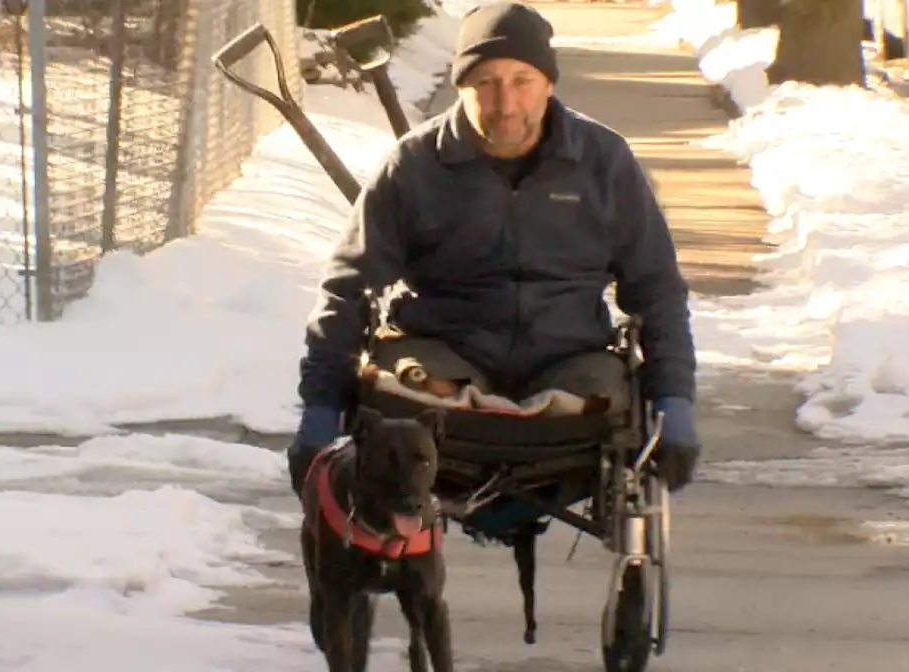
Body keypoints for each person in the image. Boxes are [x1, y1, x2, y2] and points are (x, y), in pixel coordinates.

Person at [287, 1, 701, 501]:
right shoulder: (415, 165)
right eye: (485, 82)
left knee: (610, 397)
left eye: (522, 80)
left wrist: (675, 401)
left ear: (549, 82)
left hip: (570, 360)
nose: (506, 103)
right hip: (443, 357)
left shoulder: (603, 163)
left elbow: (656, 287)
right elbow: (348, 286)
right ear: (461, 85)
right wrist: (320, 408)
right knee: (396, 389)